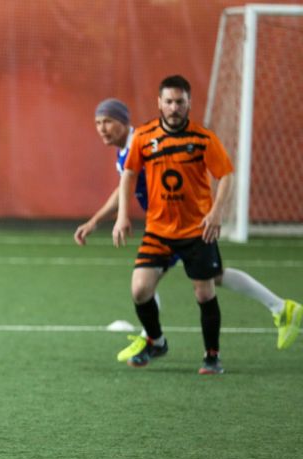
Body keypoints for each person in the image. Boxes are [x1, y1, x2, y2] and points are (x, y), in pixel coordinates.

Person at [77, 98, 302, 360]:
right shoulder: (127, 150)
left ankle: (155, 340)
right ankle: (280, 308)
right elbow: (124, 188)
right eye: (98, 123)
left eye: (108, 121)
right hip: (167, 225)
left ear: (124, 121)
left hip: (182, 224)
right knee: (201, 278)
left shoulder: (145, 142)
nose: (102, 128)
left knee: (153, 282)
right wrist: (95, 221)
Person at [111, 75, 235, 374]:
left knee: (204, 293)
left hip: (197, 230)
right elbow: (129, 174)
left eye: (180, 102)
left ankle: (212, 356)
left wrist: (216, 212)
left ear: (189, 103)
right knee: (140, 290)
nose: (174, 107)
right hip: (158, 230)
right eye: (169, 101)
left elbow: (226, 175)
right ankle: (156, 341)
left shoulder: (203, 139)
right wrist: (122, 215)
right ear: (159, 103)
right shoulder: (144, 136)